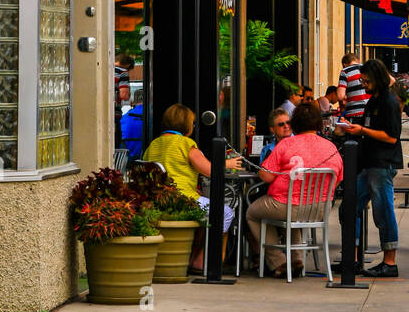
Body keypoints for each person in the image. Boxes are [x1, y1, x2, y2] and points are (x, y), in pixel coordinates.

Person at [249, 101, 343, 277]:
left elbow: (266, 176)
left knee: (252, 213)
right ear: (318, 122)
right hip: (320, 209)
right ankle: (297, 259)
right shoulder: (330, 147)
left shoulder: (285, 145)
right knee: (291, 213)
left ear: (295, 123)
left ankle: (279, 261)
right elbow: (337, 179)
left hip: (287, 206)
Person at [143, 104, 241, 269]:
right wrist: (228, 163)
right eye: (193, 123)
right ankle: (205, 261)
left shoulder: (153, 145)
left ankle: (192, 257)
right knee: (225, 212)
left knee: (205, 214)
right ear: (187, 126)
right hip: (182, 201)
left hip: (157, 201)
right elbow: (210, 170)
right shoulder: (186, 144)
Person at [336, 58, 403, 279]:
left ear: (376, 79)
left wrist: (362, 131)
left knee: (383, 211)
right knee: (349, 207)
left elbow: (391, 137)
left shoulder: (388, 102)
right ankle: (352, 258)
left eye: (366, 81)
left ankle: (389, 262)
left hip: (382, 163)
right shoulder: (373, 100)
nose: (363, 85)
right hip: (367, 162)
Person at [338, 52, 369, 123]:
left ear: (344, 64)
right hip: (370, 113)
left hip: (354, 113)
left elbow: (340, 96)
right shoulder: (369, 68)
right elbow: (392, 80)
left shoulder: (345, 71)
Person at [114, 54, 135, 146]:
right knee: (115, 144)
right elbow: (124, 95)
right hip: (114, 113)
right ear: (127, 65)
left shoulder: (104, 68)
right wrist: (128, 94)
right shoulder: (123, 72)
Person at [121, 88, 145, 159]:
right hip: (147, 160)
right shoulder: (151, 116)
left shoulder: (124, 118)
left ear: (132, 102)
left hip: (127, 160)